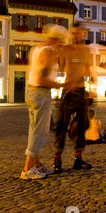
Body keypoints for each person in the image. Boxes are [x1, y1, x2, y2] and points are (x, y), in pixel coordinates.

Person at [21, 25, 71, 179]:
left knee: (34, 129)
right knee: (40, 132)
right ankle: (27, 169)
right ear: (58, 39)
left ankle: (36, 165)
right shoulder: (49, 52)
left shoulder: (37, 48)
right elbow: (42, 77)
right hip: (41, 92)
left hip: (32, 91)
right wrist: (62, 85)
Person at [52, 23, 97, 173]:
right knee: (61, 125)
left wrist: (92, 86)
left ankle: (78, 158)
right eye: (73, 33)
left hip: (81, 91)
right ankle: (57, 159)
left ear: (82, 34)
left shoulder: (86, 51)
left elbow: (88, 70)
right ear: (71, 34)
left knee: (82, 125)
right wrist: (61, 85)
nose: (76, 35)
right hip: (68, 92)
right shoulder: (64, 49)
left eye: (78, 33)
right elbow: (56, 68)